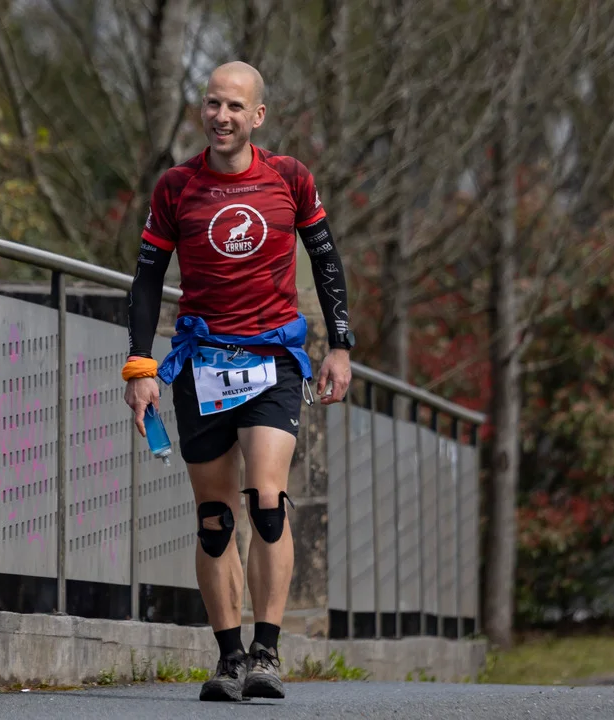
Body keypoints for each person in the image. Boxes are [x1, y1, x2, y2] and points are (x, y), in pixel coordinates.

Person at [121, 60, 355, 702]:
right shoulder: (176, 186)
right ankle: (229, 658)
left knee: (268, 501)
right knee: (215, 519)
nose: (221, 117)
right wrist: (140, 366)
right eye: (212, 104)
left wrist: (339, 347)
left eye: (234, 107)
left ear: (258, 116)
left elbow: (325, 259)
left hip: (273, 360)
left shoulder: (290, 178)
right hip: (202, 363)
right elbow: (146, 279)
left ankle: (267, 653)